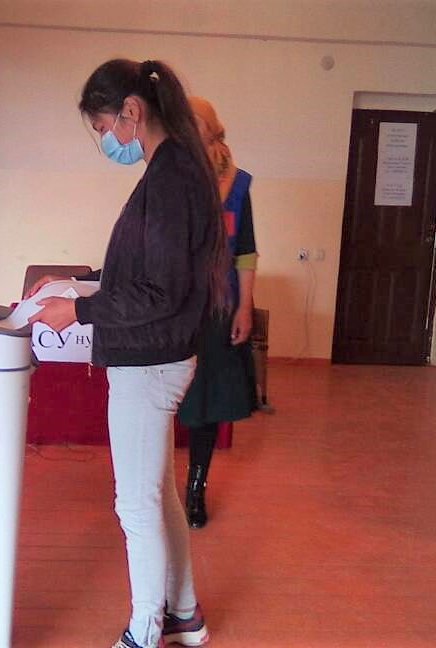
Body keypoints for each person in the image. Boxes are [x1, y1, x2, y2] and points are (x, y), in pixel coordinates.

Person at [27, 59, 228, 648]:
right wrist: (76, 285)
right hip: (155, 355)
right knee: (157, 499)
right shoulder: (172, 170)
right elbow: (142, 272)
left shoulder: (169, 179)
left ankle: (145, 630)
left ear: (131, 112)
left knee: (135, 507)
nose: (106, 141)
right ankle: (183, 614)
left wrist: (80, 311)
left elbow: (159, 292)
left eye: (103, 127)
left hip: (150, 362)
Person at [177, 96, 259, 529]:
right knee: (164, 400)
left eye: (196, 122)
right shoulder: (171, 176)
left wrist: (244, 307)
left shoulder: (238, 186)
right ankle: (153, 489)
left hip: (216, 311)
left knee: (205, 404)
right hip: (173, 309)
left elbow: (245, 252)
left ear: (213, 128)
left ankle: (195, 489)